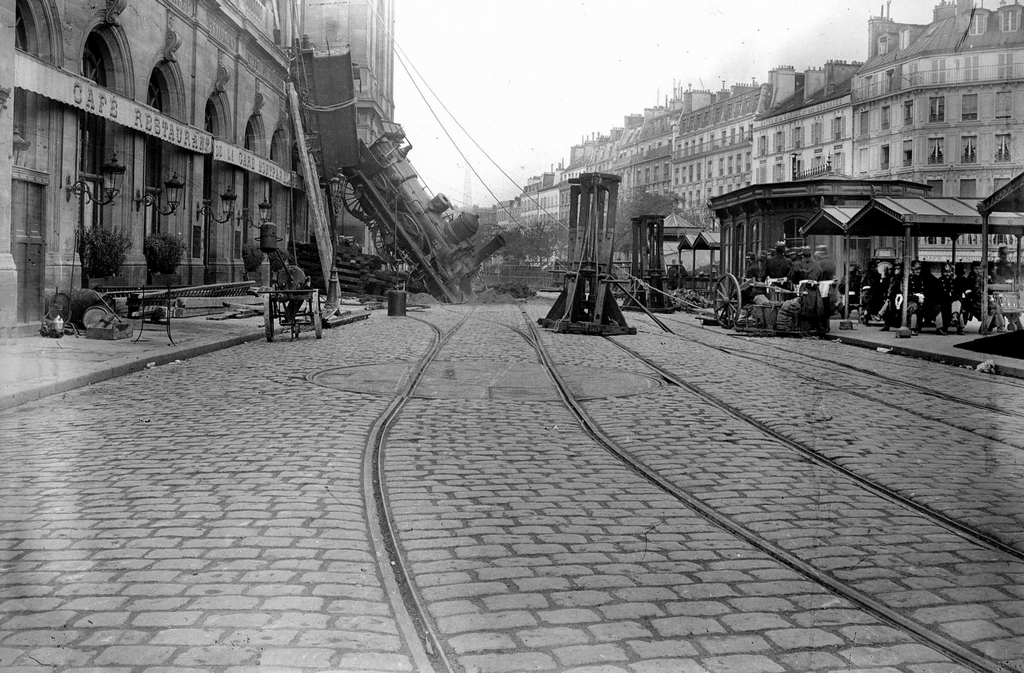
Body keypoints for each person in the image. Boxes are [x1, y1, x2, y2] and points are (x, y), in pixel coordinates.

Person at [860, 259, 884, 324]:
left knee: (866, 304)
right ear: (873, 267)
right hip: (871, 291)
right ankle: (870, 314)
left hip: (864, 291)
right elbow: (874, 284)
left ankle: (865, 314)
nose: (876, 268)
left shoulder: (865, 273)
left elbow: (862, 283)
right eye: (875, 267)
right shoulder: (875, 274)